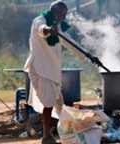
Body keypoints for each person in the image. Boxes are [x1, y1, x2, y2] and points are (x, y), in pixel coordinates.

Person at [24, 1, 86, 144]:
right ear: (55, 12)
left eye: (65, 14)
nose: (64, 17)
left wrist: (86, 55)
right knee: (48, 103)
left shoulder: (57, 26)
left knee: (59, 105)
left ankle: (66, 134)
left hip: (52, 70)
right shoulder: (40, 20)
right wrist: (48, 30)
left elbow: (68, 42)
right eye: (62, 14)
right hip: (41, 69)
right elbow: (42, 29)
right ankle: (46, 136)